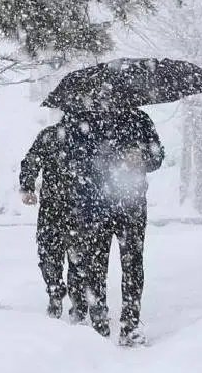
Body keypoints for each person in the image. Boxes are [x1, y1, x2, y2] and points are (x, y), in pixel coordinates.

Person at [65, 107, 163, 346]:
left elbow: (157, 157)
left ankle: (130, 326)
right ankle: (99, 324)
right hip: (95, 206)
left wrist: (142, 157)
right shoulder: (85, 121)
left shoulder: (140, 119)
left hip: (131, 207)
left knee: (132, 265)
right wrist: (100, 159)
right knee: (95, 266)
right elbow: (71, 160)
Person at [19, 119, 84, 322]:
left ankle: (59, 294)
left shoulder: (50, 135)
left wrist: (28, 186)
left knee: (51, 254)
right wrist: (28, 186)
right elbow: (32, 160)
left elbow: (31, 160)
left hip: (56, 207)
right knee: (75, 258)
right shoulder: (87, 135)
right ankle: (73, 300)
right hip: (77, 207)